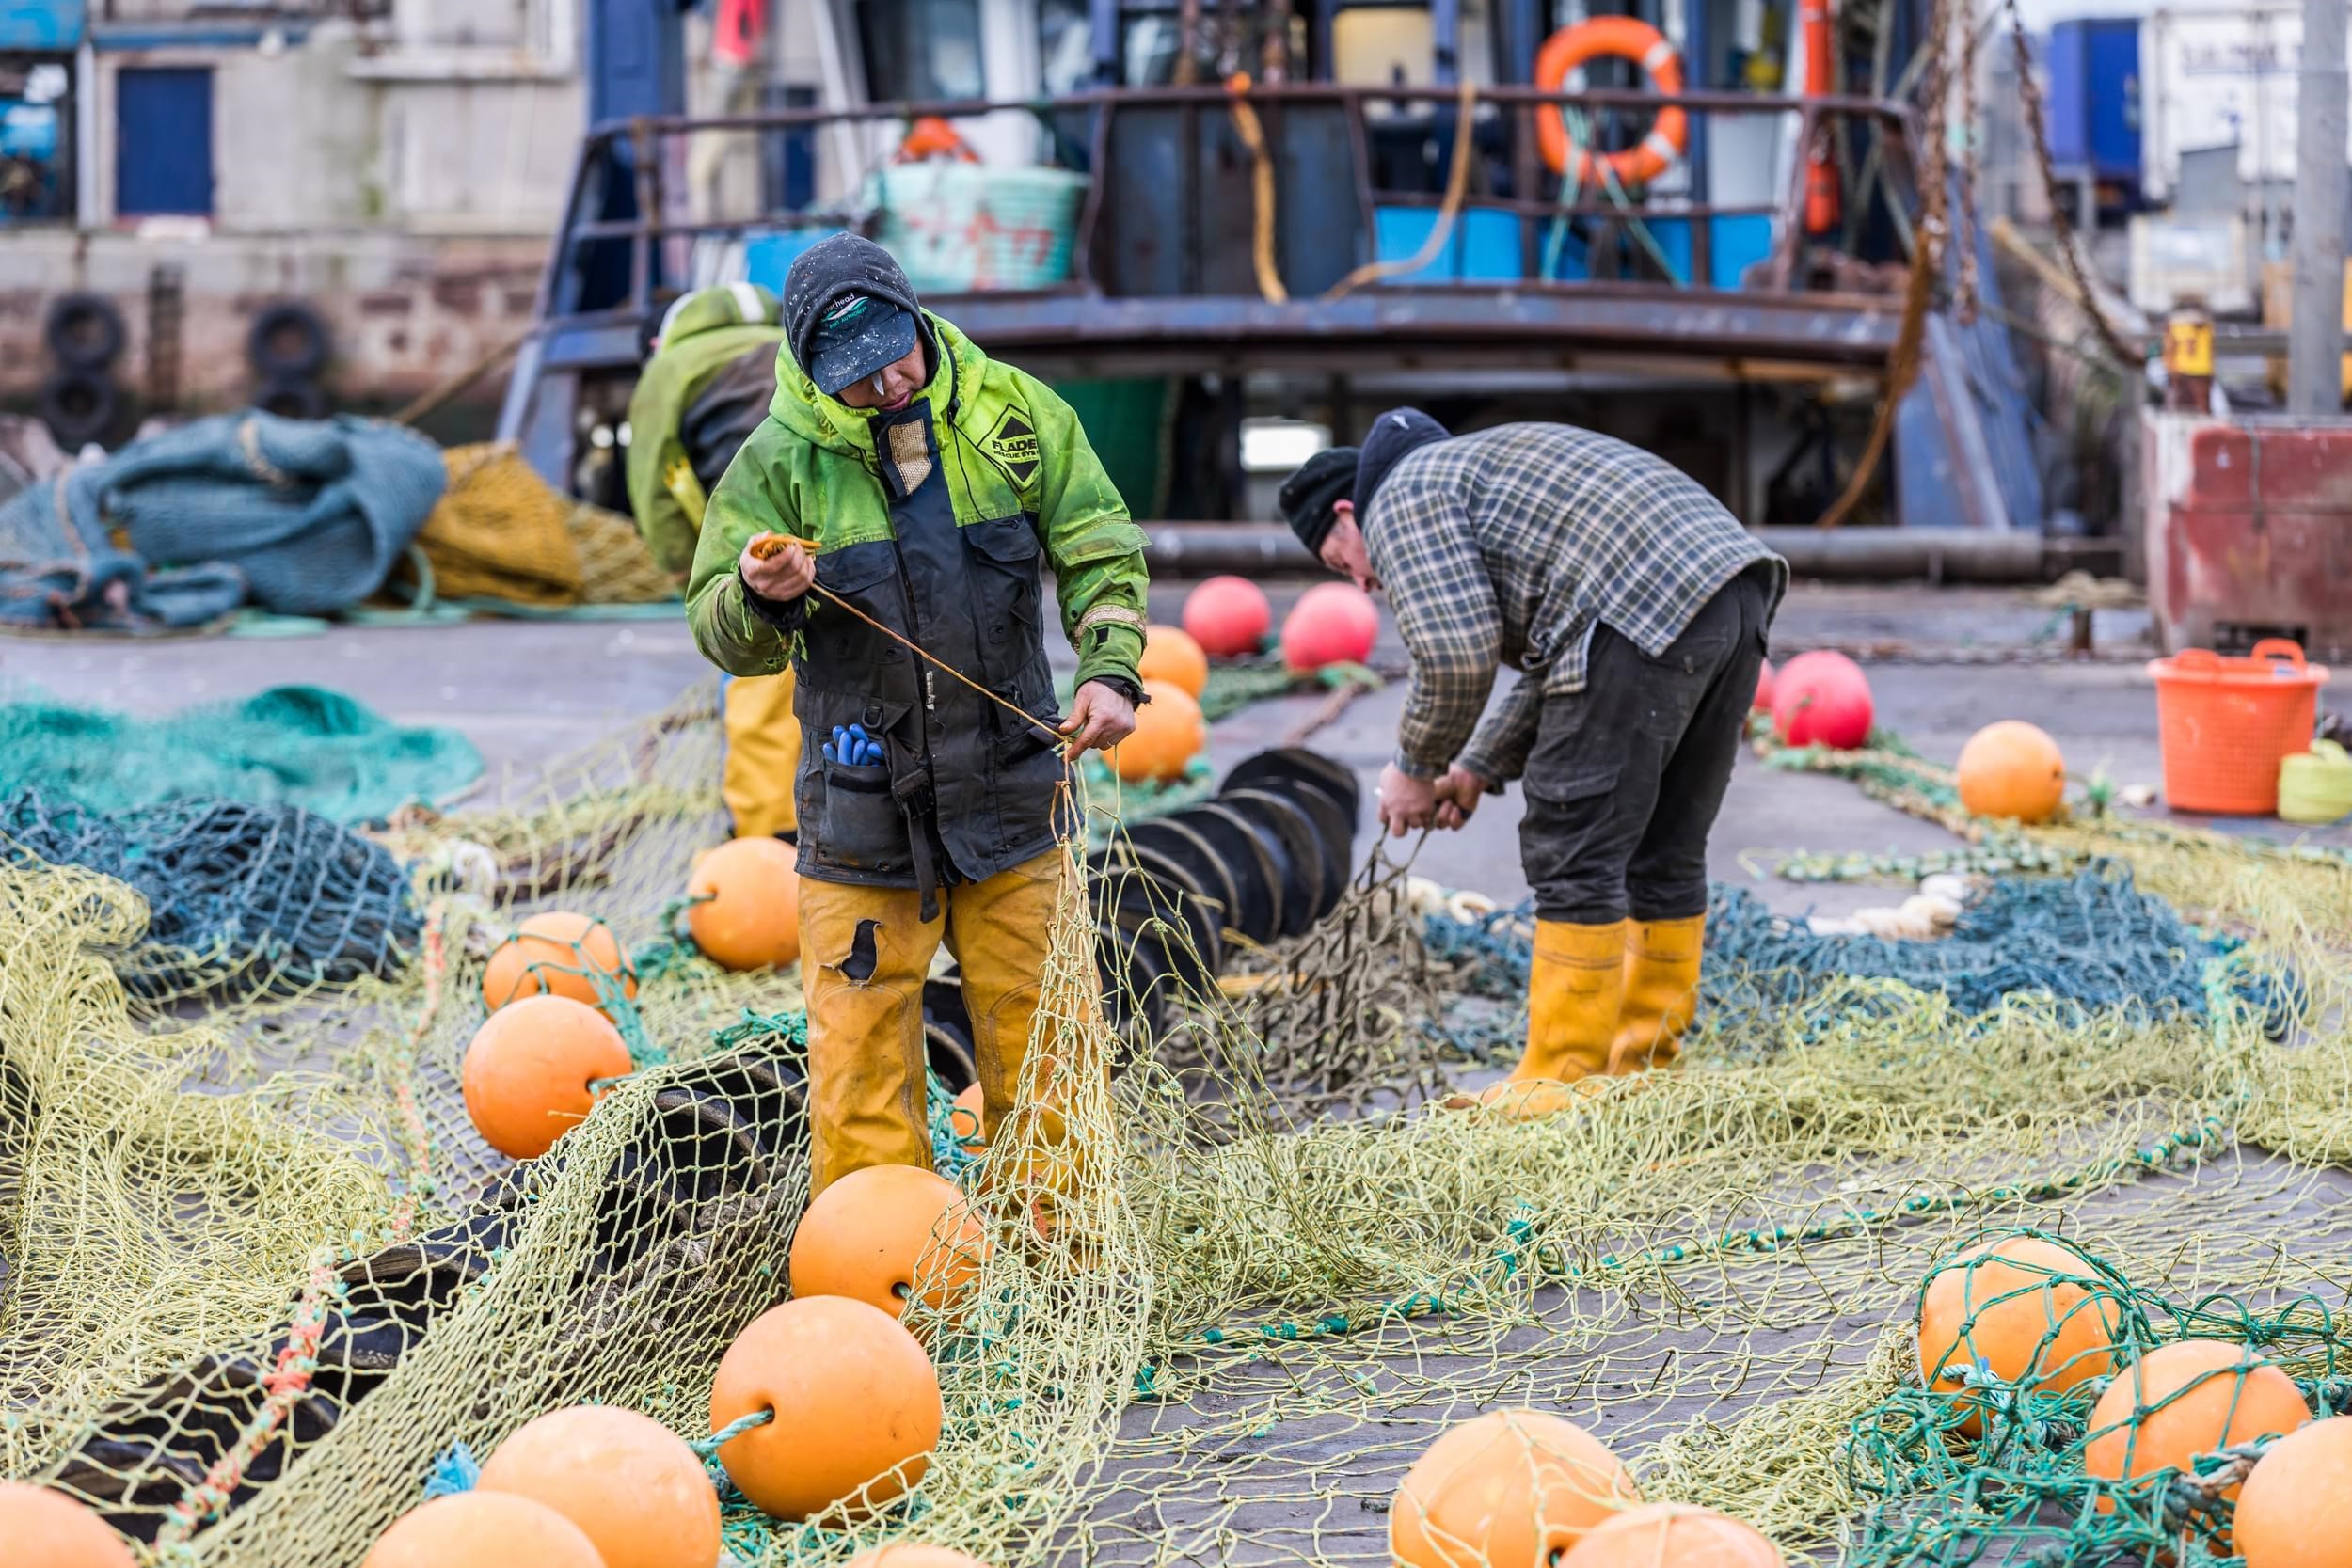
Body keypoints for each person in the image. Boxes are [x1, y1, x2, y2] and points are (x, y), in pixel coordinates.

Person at [686, 234, 1151, 1196]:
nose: (888, 384)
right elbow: (721, 633)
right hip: (859, 813)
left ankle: (1061, 1255)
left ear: (914, 316)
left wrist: (1111, 670)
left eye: (895, 355)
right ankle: (882, 1265)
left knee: (1049, 1040)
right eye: (854, 378)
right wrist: (758, 590)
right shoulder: (776, 464)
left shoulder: (1015, 415)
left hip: (1014, 800)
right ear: (812, 371)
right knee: (859, 1065)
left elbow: (1100, 545)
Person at [1278, 409, 1786, 1088]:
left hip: (1639, 608)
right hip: (1733, 590)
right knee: (1664, 847)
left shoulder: (1399, 495)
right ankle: (1643, 1072)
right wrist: (1475, 765)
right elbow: (1562, 657)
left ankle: (1556, 1085)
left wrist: (1414, 769)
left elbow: (1457, 659)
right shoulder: (1477, 478)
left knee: (1573, 844)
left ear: (1349, 513)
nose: (1363, 586)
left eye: (1344, 563)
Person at [625, 282, 801, 842]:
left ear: (658, 340)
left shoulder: (669, 368)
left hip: (762, 523)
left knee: (759, 661)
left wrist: (690, 576)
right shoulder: (787, 342)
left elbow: (655, 481)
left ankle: (770, 830)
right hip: (843, 506)